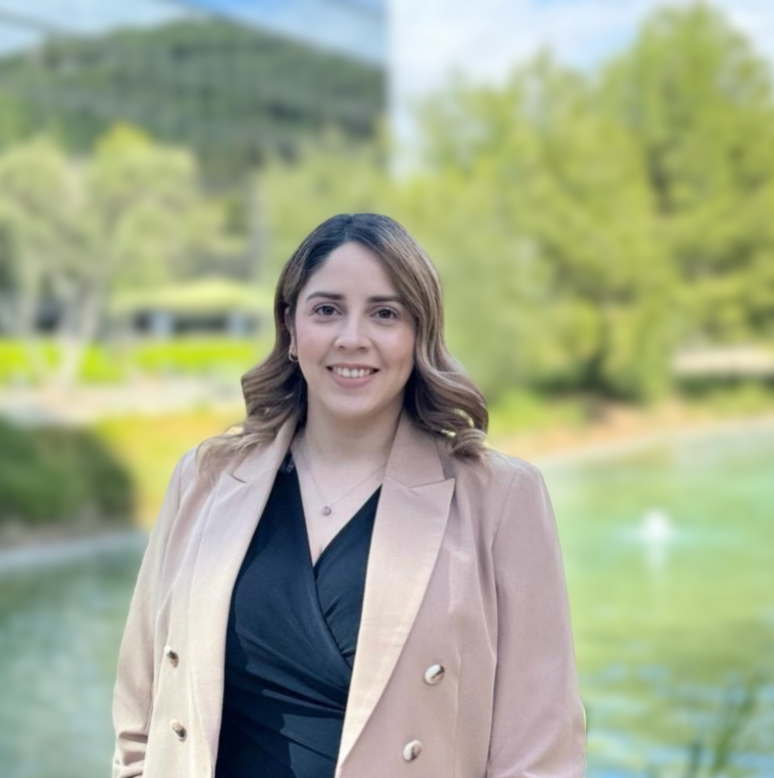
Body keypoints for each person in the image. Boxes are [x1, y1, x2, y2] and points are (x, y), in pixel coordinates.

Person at [111, 213, 586, 778]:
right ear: (291, 328)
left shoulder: (501, 499)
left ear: (419, 333)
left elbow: (540, 755)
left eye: (385, 313)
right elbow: (139, 724)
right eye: (327, 310)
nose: (352, 338)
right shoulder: (206, 479)